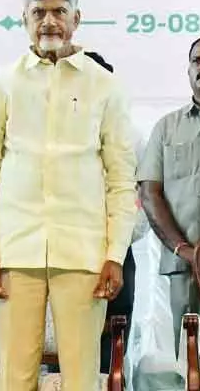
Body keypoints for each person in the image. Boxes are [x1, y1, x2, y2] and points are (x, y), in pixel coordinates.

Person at [0, 0, 138, 391]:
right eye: (39, 12)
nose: (49, 22)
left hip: (83, 252)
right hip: (15, 250)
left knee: (82, 377)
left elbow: (121, 177)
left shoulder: (106, 85)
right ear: (23, 19)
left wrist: (115, 253)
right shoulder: (0, 84)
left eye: (59, 12)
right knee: (15, 377)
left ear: (76, 18)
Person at [138, 36, 200, 367]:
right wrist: (183, 248)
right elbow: (150, 193)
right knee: (193, 360)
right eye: (197, 61)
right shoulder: (166, 127)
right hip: (184, 264)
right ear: (189, 69)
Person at [82, 50, 140, 375]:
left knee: (112, 349)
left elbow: (141, 200)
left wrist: (116, 239)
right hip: (64, 251)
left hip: (116, 255)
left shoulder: (133, 137)